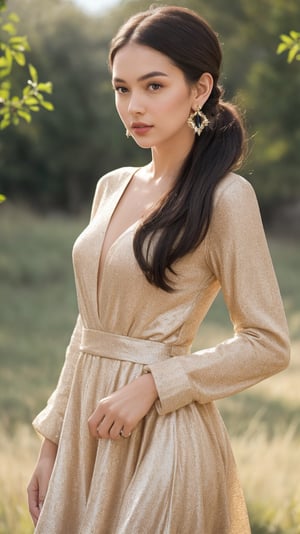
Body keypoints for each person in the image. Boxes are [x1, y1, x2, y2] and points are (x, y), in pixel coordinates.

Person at [27, 5, 290, 533]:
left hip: (162, 438)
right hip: (87, 437)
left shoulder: (226, 197)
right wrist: (54, 442)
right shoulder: (110, 186)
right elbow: (88, 328)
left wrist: (155, 384)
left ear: (199, 90)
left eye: (153, 86)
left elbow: (268, 342)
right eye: (121, 89)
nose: (133, 106)